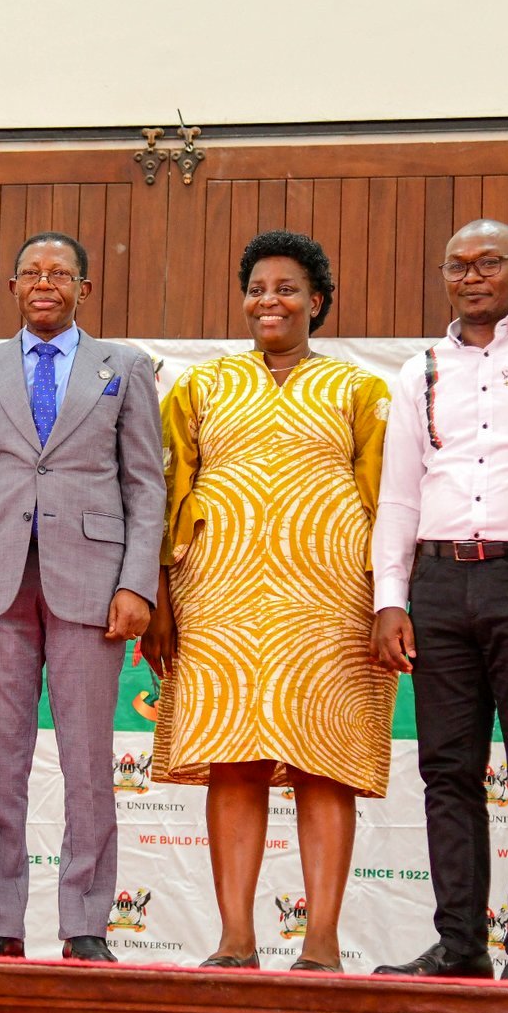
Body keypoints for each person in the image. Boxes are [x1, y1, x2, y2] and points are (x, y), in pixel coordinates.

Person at [141, 229, 394, 973]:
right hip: (218, 595)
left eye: (286, 288)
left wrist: (390, 599)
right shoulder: (199, 387)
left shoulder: (361, 391)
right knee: (233, 759)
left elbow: (388, 500)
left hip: (333, 598)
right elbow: (163, 493)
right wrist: (157, 591)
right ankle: (235, 938)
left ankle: (320, 942)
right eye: (257, 287)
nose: (269, 300)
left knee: (325, 761)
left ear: (317, 301)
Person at [0, 233, 164, 963]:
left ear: (82, 289)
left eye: (58, 272)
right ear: (12, 285)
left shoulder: (122, 366)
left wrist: (136, 583)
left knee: (90, 762)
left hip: (91, 587)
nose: (44, 282)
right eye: (30, 271)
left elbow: (145, 484)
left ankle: (86, 922)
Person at [369, 220, 508, 983]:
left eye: (489, 261)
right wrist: (390, 598)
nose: (472, 275)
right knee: (447, 771)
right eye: (457, 264)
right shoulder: (418, 367)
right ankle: (460, 944)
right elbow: (400, 493)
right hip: (438, 582)